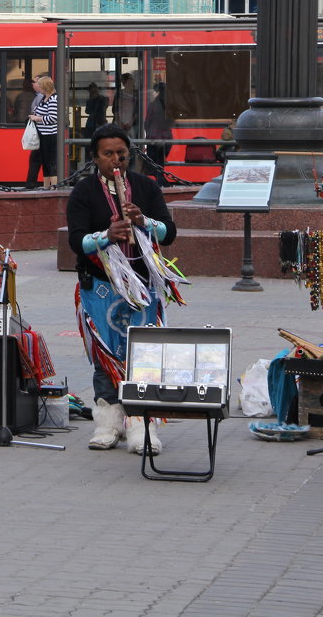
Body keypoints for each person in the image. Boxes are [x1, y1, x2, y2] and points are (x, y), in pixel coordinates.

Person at [67, 124, 184, 456]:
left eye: (121, 153)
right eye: (108, 154)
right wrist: (107, 235)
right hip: (100, 286)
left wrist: (144, 221)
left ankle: (142, 426)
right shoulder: (84, 191)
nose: (116, 160)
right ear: (95, 157)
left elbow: (169, 232)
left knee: (144, 355)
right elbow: (76, 240)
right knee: (106, 354)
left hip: (143, 285)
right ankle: (108, 424)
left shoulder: (145, 187)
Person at [29, 75, 59, 188]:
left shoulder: (53, 99)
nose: (38, 87)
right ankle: (46, 186)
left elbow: (53, 118)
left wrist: (37, 118)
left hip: (50, 135)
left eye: (40, 85)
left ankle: (54, 187)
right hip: (43, 134)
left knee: (51, 162)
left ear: (45, 87)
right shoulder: (44, 98)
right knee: (45, 162)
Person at [143, 83, 172, 184]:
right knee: (160, 162)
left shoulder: (152, 105)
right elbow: (171, 122)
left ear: (158, 92)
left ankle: (158, 181)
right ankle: (162, 179)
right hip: (165, 138)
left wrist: (149, 132)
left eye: (154, 92)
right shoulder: (168, 106)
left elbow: (147, 122)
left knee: (154, 163)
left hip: (153, 138)